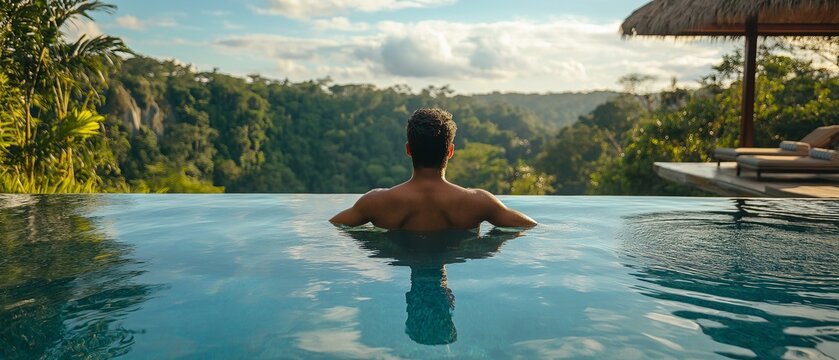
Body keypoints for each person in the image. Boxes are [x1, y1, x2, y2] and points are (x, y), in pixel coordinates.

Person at [330, 108, 536, 231]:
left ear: (408, 150)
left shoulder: (377, 202)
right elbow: (528, 225)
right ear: (450, 151)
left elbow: (334, 226)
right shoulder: (477, 202)